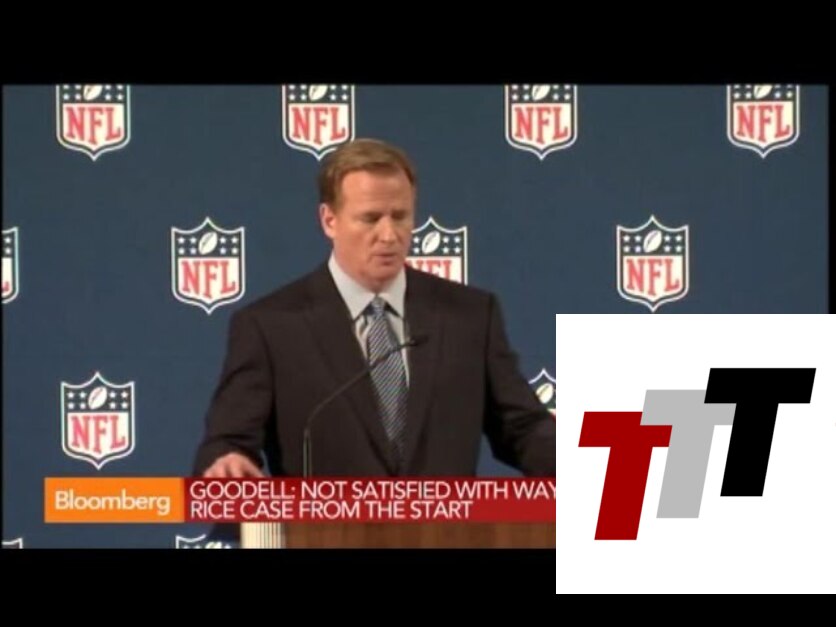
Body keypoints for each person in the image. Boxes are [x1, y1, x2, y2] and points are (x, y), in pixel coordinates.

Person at [193, 138, 555, 478]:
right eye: (370, 218)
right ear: (329, 220)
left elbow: (522, 428)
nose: (389, 235)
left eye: (400, 216)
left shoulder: (470, 316)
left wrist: (579, 456)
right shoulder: (271, 326)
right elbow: (227, 443)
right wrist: (227, 461)